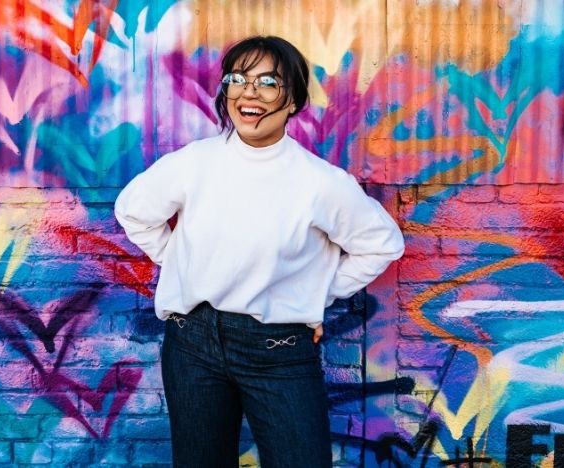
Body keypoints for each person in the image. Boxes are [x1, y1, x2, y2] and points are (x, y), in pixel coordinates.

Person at [114, 35, 404, 468]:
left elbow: (382, 244)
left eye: (268, 82)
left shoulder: (319, 182)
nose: (249, 92)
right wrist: (180, 261)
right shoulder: (195, 163)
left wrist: (315, 296)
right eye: (238, 79)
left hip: (279, 349)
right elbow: (134, 211)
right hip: (192, 345)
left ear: (293, 101)